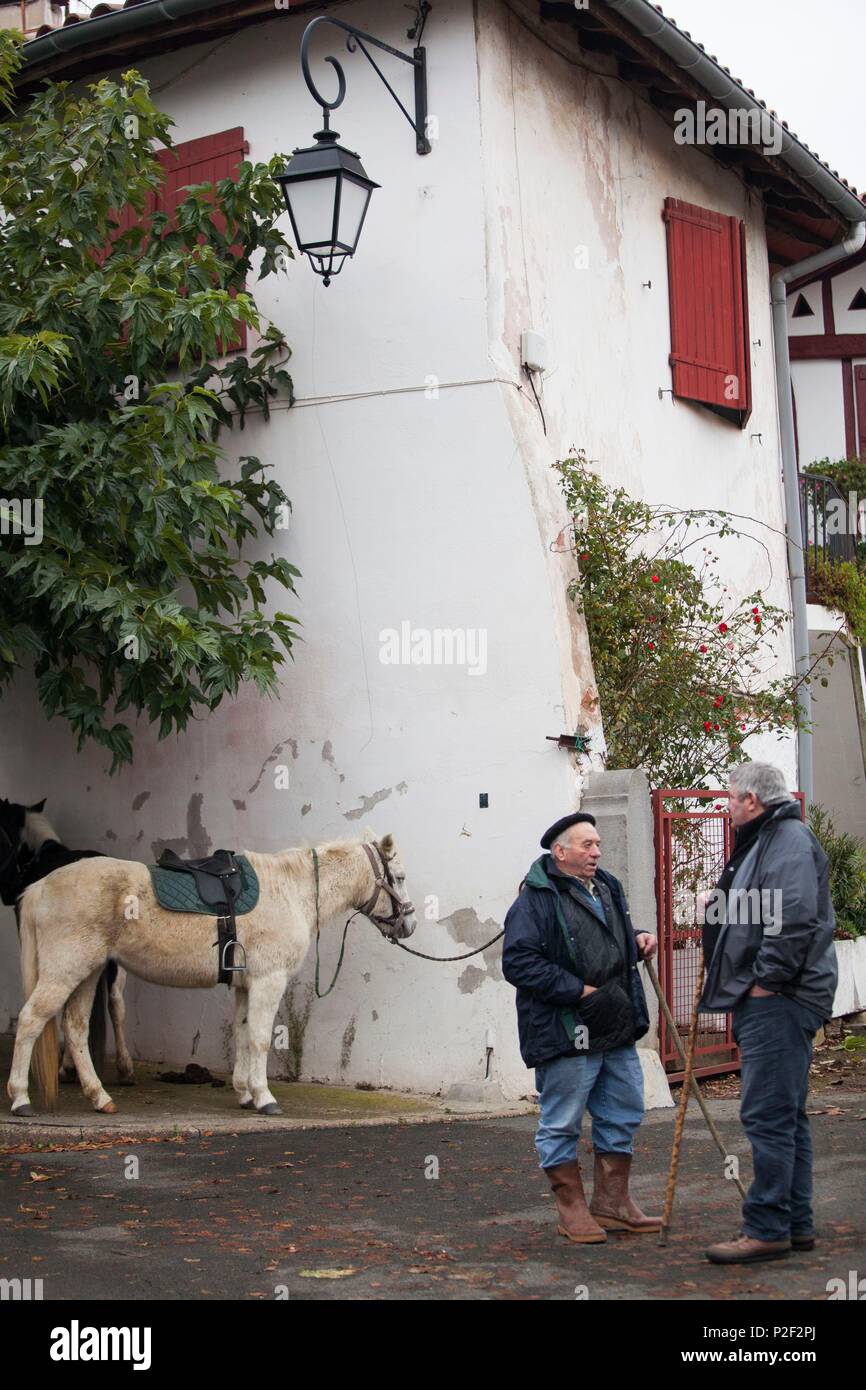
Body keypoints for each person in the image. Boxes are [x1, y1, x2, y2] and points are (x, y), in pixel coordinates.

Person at [700, 762, 838, 1265]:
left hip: (780, 999)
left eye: (731, 798)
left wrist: (765, 983)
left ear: (752, 801)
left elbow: (794, 916)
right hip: (777, 996)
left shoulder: (786, 841)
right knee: (786, 1115)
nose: (727, 805)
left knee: (766, 1114)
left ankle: (766, 1228)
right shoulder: (771, 838)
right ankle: (794, 1224)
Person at [503, 812, 660, 1244]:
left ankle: (612, 1204)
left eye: (597, 844)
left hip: (615, 1021)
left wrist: (639, 937)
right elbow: (518, 963)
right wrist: (579, 991)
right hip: (567, 1027)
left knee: (625, 1108)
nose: (597, 851)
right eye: (587, 845)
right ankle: (571, 1209)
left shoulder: (607, 886)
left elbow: (610, 936)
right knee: (563, 1120)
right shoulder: (534, 899)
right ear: (561, 852)